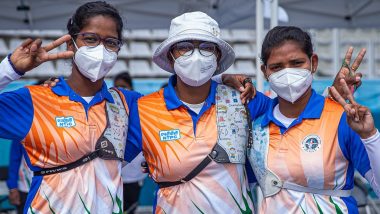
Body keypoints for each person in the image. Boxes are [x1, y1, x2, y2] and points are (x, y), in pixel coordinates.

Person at [0, 2, 142, 213]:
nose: (101, 49)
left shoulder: (129, 104)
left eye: (110, 42)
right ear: (70, 44)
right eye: (91, 39)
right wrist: (10, 68)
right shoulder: (34, 100)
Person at [124, 11, 256, 213]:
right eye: (184, 47)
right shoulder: (143, 109)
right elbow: (101, 166)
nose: (195, 56)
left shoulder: (244, 99)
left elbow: (292, 114)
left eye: (206, 47)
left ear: (217, 55)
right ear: (171, 54)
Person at [246, 26, 380, 213]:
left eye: (296, 63)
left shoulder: (343, 118)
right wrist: (223, 78)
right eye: (277, 67)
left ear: (313, 62)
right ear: (264, 71)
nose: (287, 73)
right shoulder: (257, 123)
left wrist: (370, 136)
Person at [113, 72, 147, 213]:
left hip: (134, 176)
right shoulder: (106, 112)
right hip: (112, 176)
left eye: (125, 87)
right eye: (118, 87)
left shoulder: (140, 111)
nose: (121, 90)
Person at [6, 140, 33, 214]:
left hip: (48, 187)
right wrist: (13, 188)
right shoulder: (22, 133)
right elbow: (14, 160)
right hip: (25, 189)